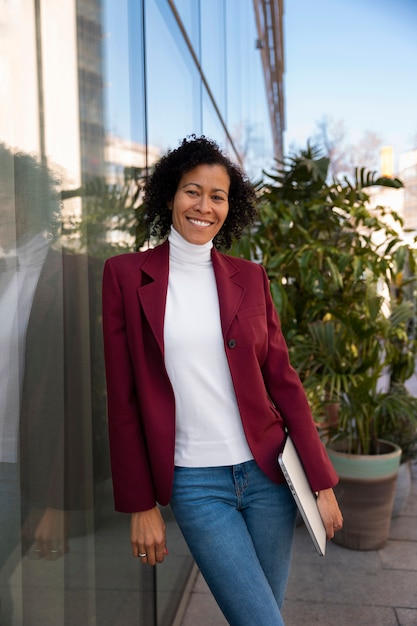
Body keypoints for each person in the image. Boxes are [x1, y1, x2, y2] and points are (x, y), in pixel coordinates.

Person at [102, 135, 343, 626]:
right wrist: (140, 503)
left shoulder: (249, 277)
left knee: (262, 614)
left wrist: (321, 481)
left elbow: (284, 381)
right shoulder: (126, 275)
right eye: (193, 191)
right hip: (195, 483)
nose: (204, 206)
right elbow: (123, 399)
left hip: (269, 478)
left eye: (218, 196)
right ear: (170, 195)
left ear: (230, 207)